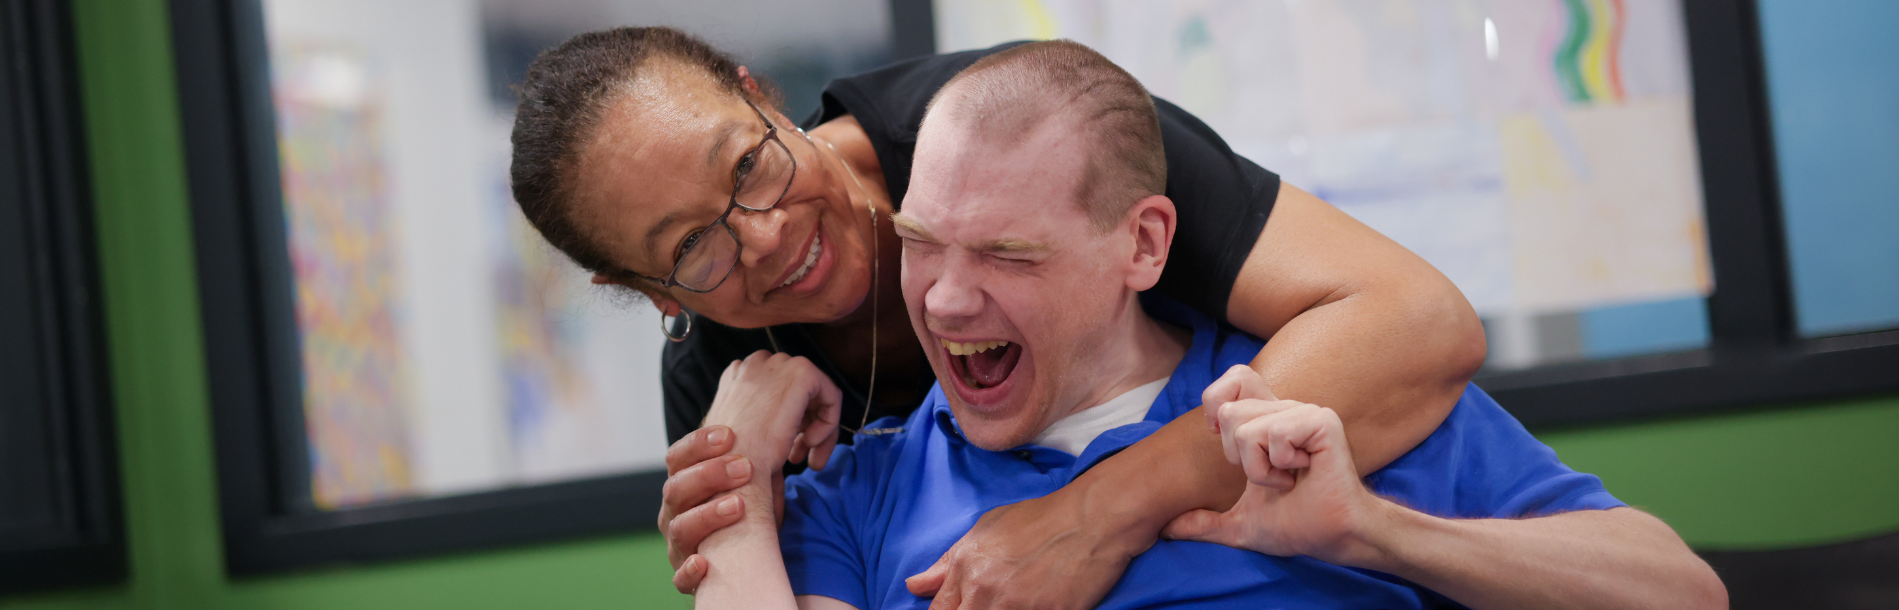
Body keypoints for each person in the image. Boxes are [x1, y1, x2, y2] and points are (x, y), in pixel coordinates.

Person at [686, 40, 1726, 610]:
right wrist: (738, 491)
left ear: (1142, 246)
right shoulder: (857, 497)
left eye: (1008, 253)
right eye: (923, 241)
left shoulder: (1312, 415)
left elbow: (1682, 593)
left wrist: (1372, 532)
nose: (948, 300)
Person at [510, 27, 1483, 600]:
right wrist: (737, 516)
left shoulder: (1017, 127)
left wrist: (1095, 511)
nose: (761, 235)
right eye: (692, 249)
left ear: (759, 97)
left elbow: (1416, 318)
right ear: (649, 296)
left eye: (749, 164)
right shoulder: (722, 386)